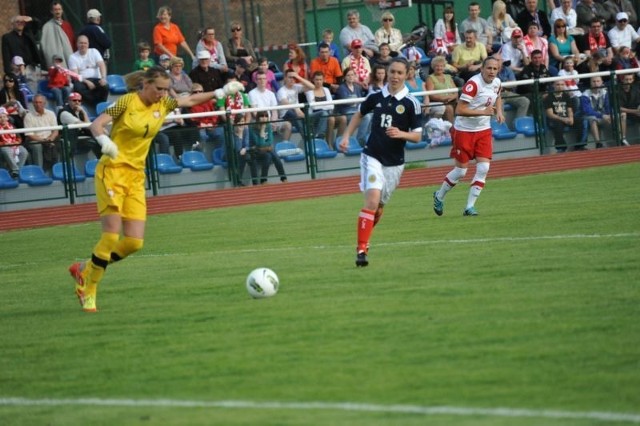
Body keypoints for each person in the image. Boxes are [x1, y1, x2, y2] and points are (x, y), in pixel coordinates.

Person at [67, 67, 243, 312]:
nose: (162, 93)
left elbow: (190, 99)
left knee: (134, 242)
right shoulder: (127, 101)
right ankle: (89, 290)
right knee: (110, 236)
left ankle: (86, 268)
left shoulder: (164, 105)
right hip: (112, 172)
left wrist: (221, 91)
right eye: (158, 88)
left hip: (136, 176)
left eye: (165, 89)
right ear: (145, 84)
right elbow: (97, 124)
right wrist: (104, 141)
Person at [338, 58, 422, 267]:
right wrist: (347, 135)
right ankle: (361, 250)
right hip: (372, 156)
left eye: (399, 73)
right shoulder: (375, 97)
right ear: (386, 72)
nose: (395, 76)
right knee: (372, 201)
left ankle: (366, 236)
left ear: (406, 75)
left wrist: (401, 133)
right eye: (392, 72)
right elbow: (359, 114)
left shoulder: (412, 103)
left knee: (379, 208)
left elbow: (418, 136)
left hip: (395, 163)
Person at [433, 56, 504, 217]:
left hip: (484, 130)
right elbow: (459, 110)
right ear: (482, 69)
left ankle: (469, 207)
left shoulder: (497, 82)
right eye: (489, 68)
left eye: (495, 68)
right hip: (464, 131)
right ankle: (439, 195)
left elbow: (498, 96)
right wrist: (483, 112)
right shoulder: (473, 84)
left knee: (484, 167)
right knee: (460, 172)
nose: (492, 71)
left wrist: (499, 111)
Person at [580, 75, 627, 147]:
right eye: (594, 81)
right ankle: (598, 143)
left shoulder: (604, 92)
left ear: (602, 82)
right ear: (590, 83)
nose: (596, 83)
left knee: (623, 114)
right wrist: (602, 115)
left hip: (604, 116)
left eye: (598, 81)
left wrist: (610, 115)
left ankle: (622, 139)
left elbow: (608, 107)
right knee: (592, 119)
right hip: (593, 116)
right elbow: (587, 111)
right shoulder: (585, 94)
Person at [68, 35, 109, 109]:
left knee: (105, 86)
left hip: (97, 79)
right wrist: (87, 82)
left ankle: (101, 105)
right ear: (77, 44)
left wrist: (103, 78)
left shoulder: (94, 51)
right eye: (81, 43)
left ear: (88, 44)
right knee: (77, 87)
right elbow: (75, 75)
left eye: (85, 43)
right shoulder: (73, 57)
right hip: (82, 81)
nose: (83, 45)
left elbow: (102, 65)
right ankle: (96, 104)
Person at [248, 70, 291, 141]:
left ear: (266, 80)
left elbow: (274, 111)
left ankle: (284, 145)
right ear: (255, 81)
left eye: (264, 79)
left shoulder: (271, 94)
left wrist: (273, 121)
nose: (262, 81)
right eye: (259, 79)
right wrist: (267, 122)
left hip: (270, 120)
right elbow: (254, 112)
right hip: (258, 121)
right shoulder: (251, 93)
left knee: (287, 125)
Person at [57, 92, 100, 158]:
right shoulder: (64, 112)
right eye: (74, 100)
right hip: (67, 139)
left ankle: (102, 159)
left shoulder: (80, 111)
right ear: (69, 101)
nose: (77, 102)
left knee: (99, 139)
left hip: (79, 136)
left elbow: (88, 124)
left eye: (79, 101)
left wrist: (84, 112)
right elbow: (83, 125)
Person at [305, 71, 342, 149]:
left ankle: (338, 142)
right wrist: (325, 105)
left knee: (343, 118)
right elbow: (314, 107)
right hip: (314, 116)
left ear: (323, 80)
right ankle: (326, 142)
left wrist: (321, 106)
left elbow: (331, 106)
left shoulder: (326, 89)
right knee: (329, 117)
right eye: (316, 80)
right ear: (313, 80)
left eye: (320, 80)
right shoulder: (309, 92)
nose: (318, 82)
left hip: (327, 113)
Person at [249, 110, 288, 184]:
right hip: (255, 152)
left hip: (266, 150)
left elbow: (270, 141)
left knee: (273, 156)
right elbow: (258, 143)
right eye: (262, 116)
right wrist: (262, 130)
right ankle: (263, 180)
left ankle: (283, 178)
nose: (264, 118)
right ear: (258, 118)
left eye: (266, 116)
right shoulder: (252, 128)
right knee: (269, 155)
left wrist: (264, 147)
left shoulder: (268, 126)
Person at [24, 94, 59, 173]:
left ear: (44, 103)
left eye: (40, 102)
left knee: (63, 143)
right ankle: (39, 171)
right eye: (36, 102)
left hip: (50, 138)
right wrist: (44, 140)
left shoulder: (51, 114)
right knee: (37, 146)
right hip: (36, 140)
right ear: (33, 104)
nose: (38, 104)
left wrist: (50, 139)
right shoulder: (28, 116)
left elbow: (55, 131)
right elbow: (30, 135)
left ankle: (57, 170)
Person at [2, 15, 40, 86]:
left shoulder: (28, 34)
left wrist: (31, 19)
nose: (20, 24)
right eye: (17, 22)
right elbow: (6, 56)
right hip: (17, 70)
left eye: (22, 22)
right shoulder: (7, 37)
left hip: (31, 68)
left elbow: (37, 25)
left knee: (33, 89)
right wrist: (9, 73)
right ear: (13, 24)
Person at [335, 67, 370, 145]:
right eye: (348, 75)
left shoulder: (358, 87)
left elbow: (359, 100)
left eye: (352, 75)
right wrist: (356, 100)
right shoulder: (341, 88)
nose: (351, 77)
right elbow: (347, 102)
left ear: (355, 76)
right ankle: (360, 140)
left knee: (371, 115)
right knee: (366, 117)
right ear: (344, 77)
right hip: (347, 112)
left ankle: (368, 139)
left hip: (357, 110)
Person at [276, 69, 314, 139]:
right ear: (285, 78)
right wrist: (296, 108)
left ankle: (315, 135)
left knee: (321, 114)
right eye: (290, 77)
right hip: (285, 116)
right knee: (292, 112)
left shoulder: (296, 87)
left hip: (297, 114)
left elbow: (312, 87)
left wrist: (298, 77)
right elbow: (284, 102)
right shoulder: (281, 90)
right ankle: (307, 136)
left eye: (294, 78)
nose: (292, 79)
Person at [188, 82, 224, 150]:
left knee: (221, 132)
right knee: (202, 136)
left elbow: (214, 115)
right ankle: (200, 155)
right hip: (199, 127)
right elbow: (191, 120)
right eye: (195, 92)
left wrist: (211, 124)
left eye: (200, 91)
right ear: (191, 93)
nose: (198, 93)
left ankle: (219, 154)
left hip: (210, 125)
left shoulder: (208, 101)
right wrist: (201, 124)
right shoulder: (189, 104)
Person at [545, 79, 577, 152]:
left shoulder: (566, 96)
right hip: (554, 119)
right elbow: (550, 114)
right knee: (557, 124)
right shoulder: (549, 97)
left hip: (566, 118)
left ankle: (580, 145)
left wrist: (571, 118)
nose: (560, 87)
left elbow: (569, 110)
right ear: (553, 86)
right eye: (558, 84)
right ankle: (561, 148)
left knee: (581, 121)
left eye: (562, 85)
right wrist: (564, 119)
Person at [40, 1, 75, 68]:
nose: (57, 12)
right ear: (51, 11)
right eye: (55, 10)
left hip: (69, 56)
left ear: (62, 11)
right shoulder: (47, 27)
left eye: (59, 9)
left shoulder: (67, 25)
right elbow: (46, 47)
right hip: (57, 61)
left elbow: (72, 41)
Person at [425, 56, 458, 123]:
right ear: (433, 67)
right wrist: (443, 99)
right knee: (448, 108)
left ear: (444, 67)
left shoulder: (448, 77)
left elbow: (456, 91)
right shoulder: (430, 78)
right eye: (437, 66)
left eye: (441, 66)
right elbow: (430, 95)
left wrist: (451, 97)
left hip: (452, 100)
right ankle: (451, 129)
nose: (439, 68)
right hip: (439, 102)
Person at [0, 106, 28, 178]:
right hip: (4, 146)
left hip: (14, 144)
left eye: (4, 117)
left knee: (24, 151)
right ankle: (15, 169)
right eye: (0, 117)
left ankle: (18, 171)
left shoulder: (12, 126)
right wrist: (4, 143)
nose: (3, 119)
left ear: (7, 118)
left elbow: (19, 138)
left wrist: (16, 142)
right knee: (6, 150)